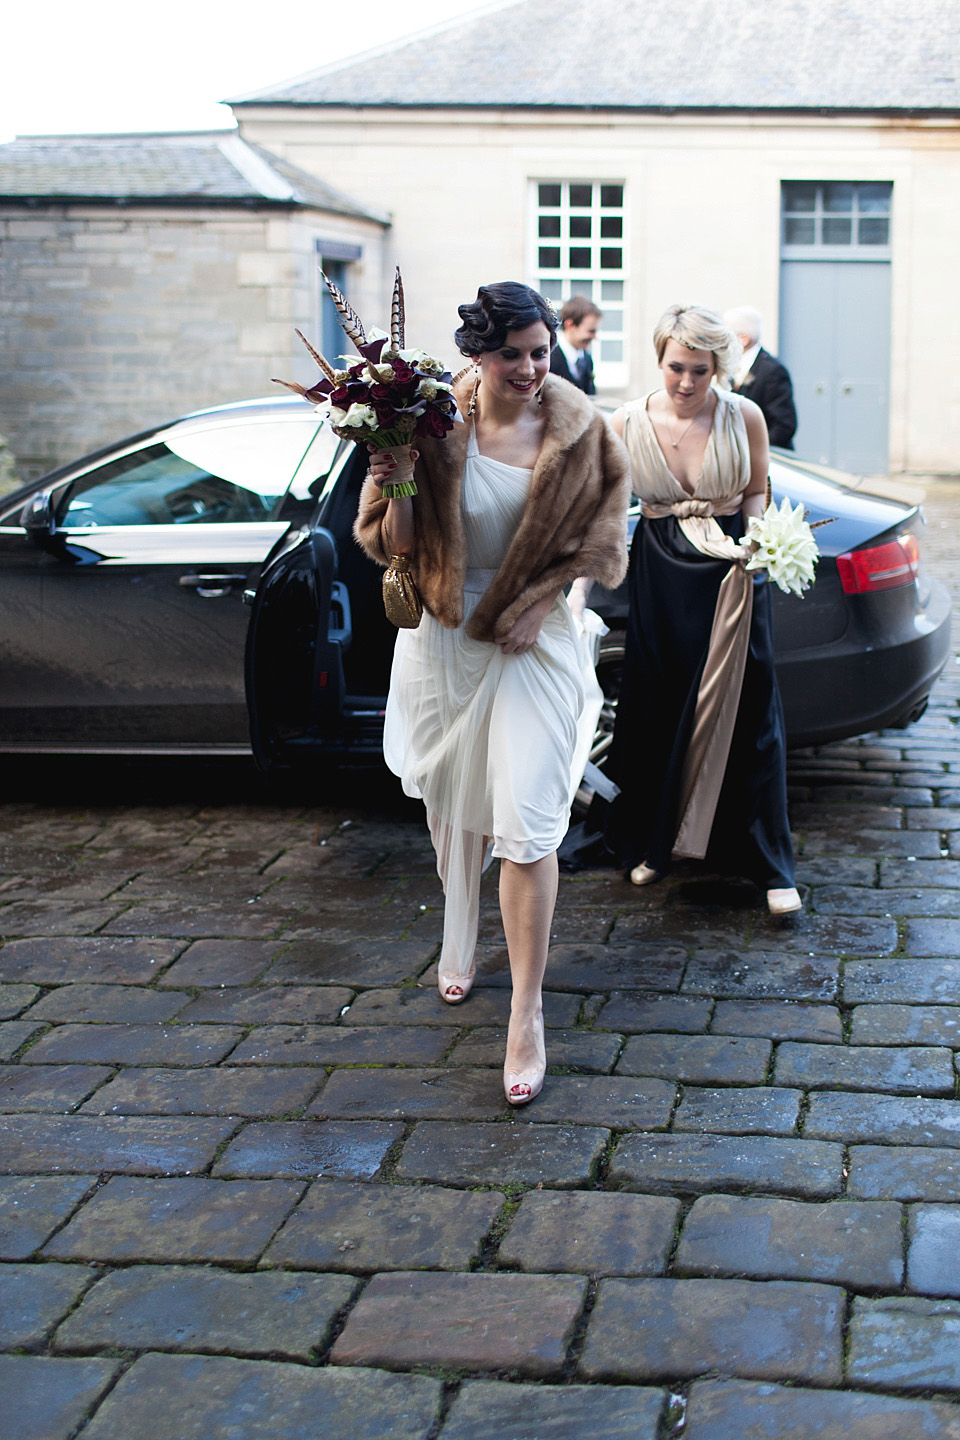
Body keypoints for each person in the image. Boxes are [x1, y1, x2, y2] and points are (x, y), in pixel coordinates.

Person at [354, 282, 630, 1104]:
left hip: (531, 640)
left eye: (541, 351)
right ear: (478, 353)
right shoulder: (427, 421)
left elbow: (602, 535)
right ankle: (461, 932)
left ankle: (526, 1013)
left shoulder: (579, 428)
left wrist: (541, 603)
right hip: (444, 635)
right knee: (453, 805)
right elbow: (392, 547)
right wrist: (398, 474)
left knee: (529, 825)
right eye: (512, 353)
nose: (531, 368)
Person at [562, 303, 801, 916]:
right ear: (659, 359)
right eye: (676, 368)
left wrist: (760, 543)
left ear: (718, 365)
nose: (688, 383)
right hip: (661, 576)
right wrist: (580, 590)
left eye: (701, 370)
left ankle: (771, 866)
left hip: (732, 575)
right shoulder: (624, 422)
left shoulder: (743, 414)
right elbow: (605, 513)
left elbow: (755, 491)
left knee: (751, 720)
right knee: (660, 710)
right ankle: (656, 844)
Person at [725, 306, 798, 450]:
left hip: (768, 456)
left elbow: (783, 426)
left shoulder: (772, 371)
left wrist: (754, 451)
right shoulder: (733, 366)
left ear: (743, 339)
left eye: (726, 337)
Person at [549, 295, 602, 395]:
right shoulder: (548, 359)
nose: (594, 337)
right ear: (570, 325)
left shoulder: (587, 359)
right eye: (591, 331)